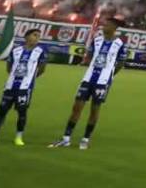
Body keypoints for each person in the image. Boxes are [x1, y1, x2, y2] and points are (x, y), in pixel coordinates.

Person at [50, 16, 126, 149]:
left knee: (94, 110)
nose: (104, 27)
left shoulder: (119, 44)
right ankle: (66, 138)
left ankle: (85, 139)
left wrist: (110, 74)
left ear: (114, 28)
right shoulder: (96, 40)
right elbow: (90, 56)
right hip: (88, 78)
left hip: (102, 82)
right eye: (104, 24)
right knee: (76, 107)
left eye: (107, 25)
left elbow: (121, 62)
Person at [0, 28, 46, 146]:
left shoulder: (40, 51)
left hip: (25, 88)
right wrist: (14, 77)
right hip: (10, 86)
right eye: (35, 35)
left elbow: (42, 68)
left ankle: (18, 137)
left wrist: (30, 78)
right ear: (27, 36)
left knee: (22, 112)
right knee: (2, 110)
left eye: (38, 36)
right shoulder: (15, 50)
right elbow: (9, 67)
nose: (37, 38)